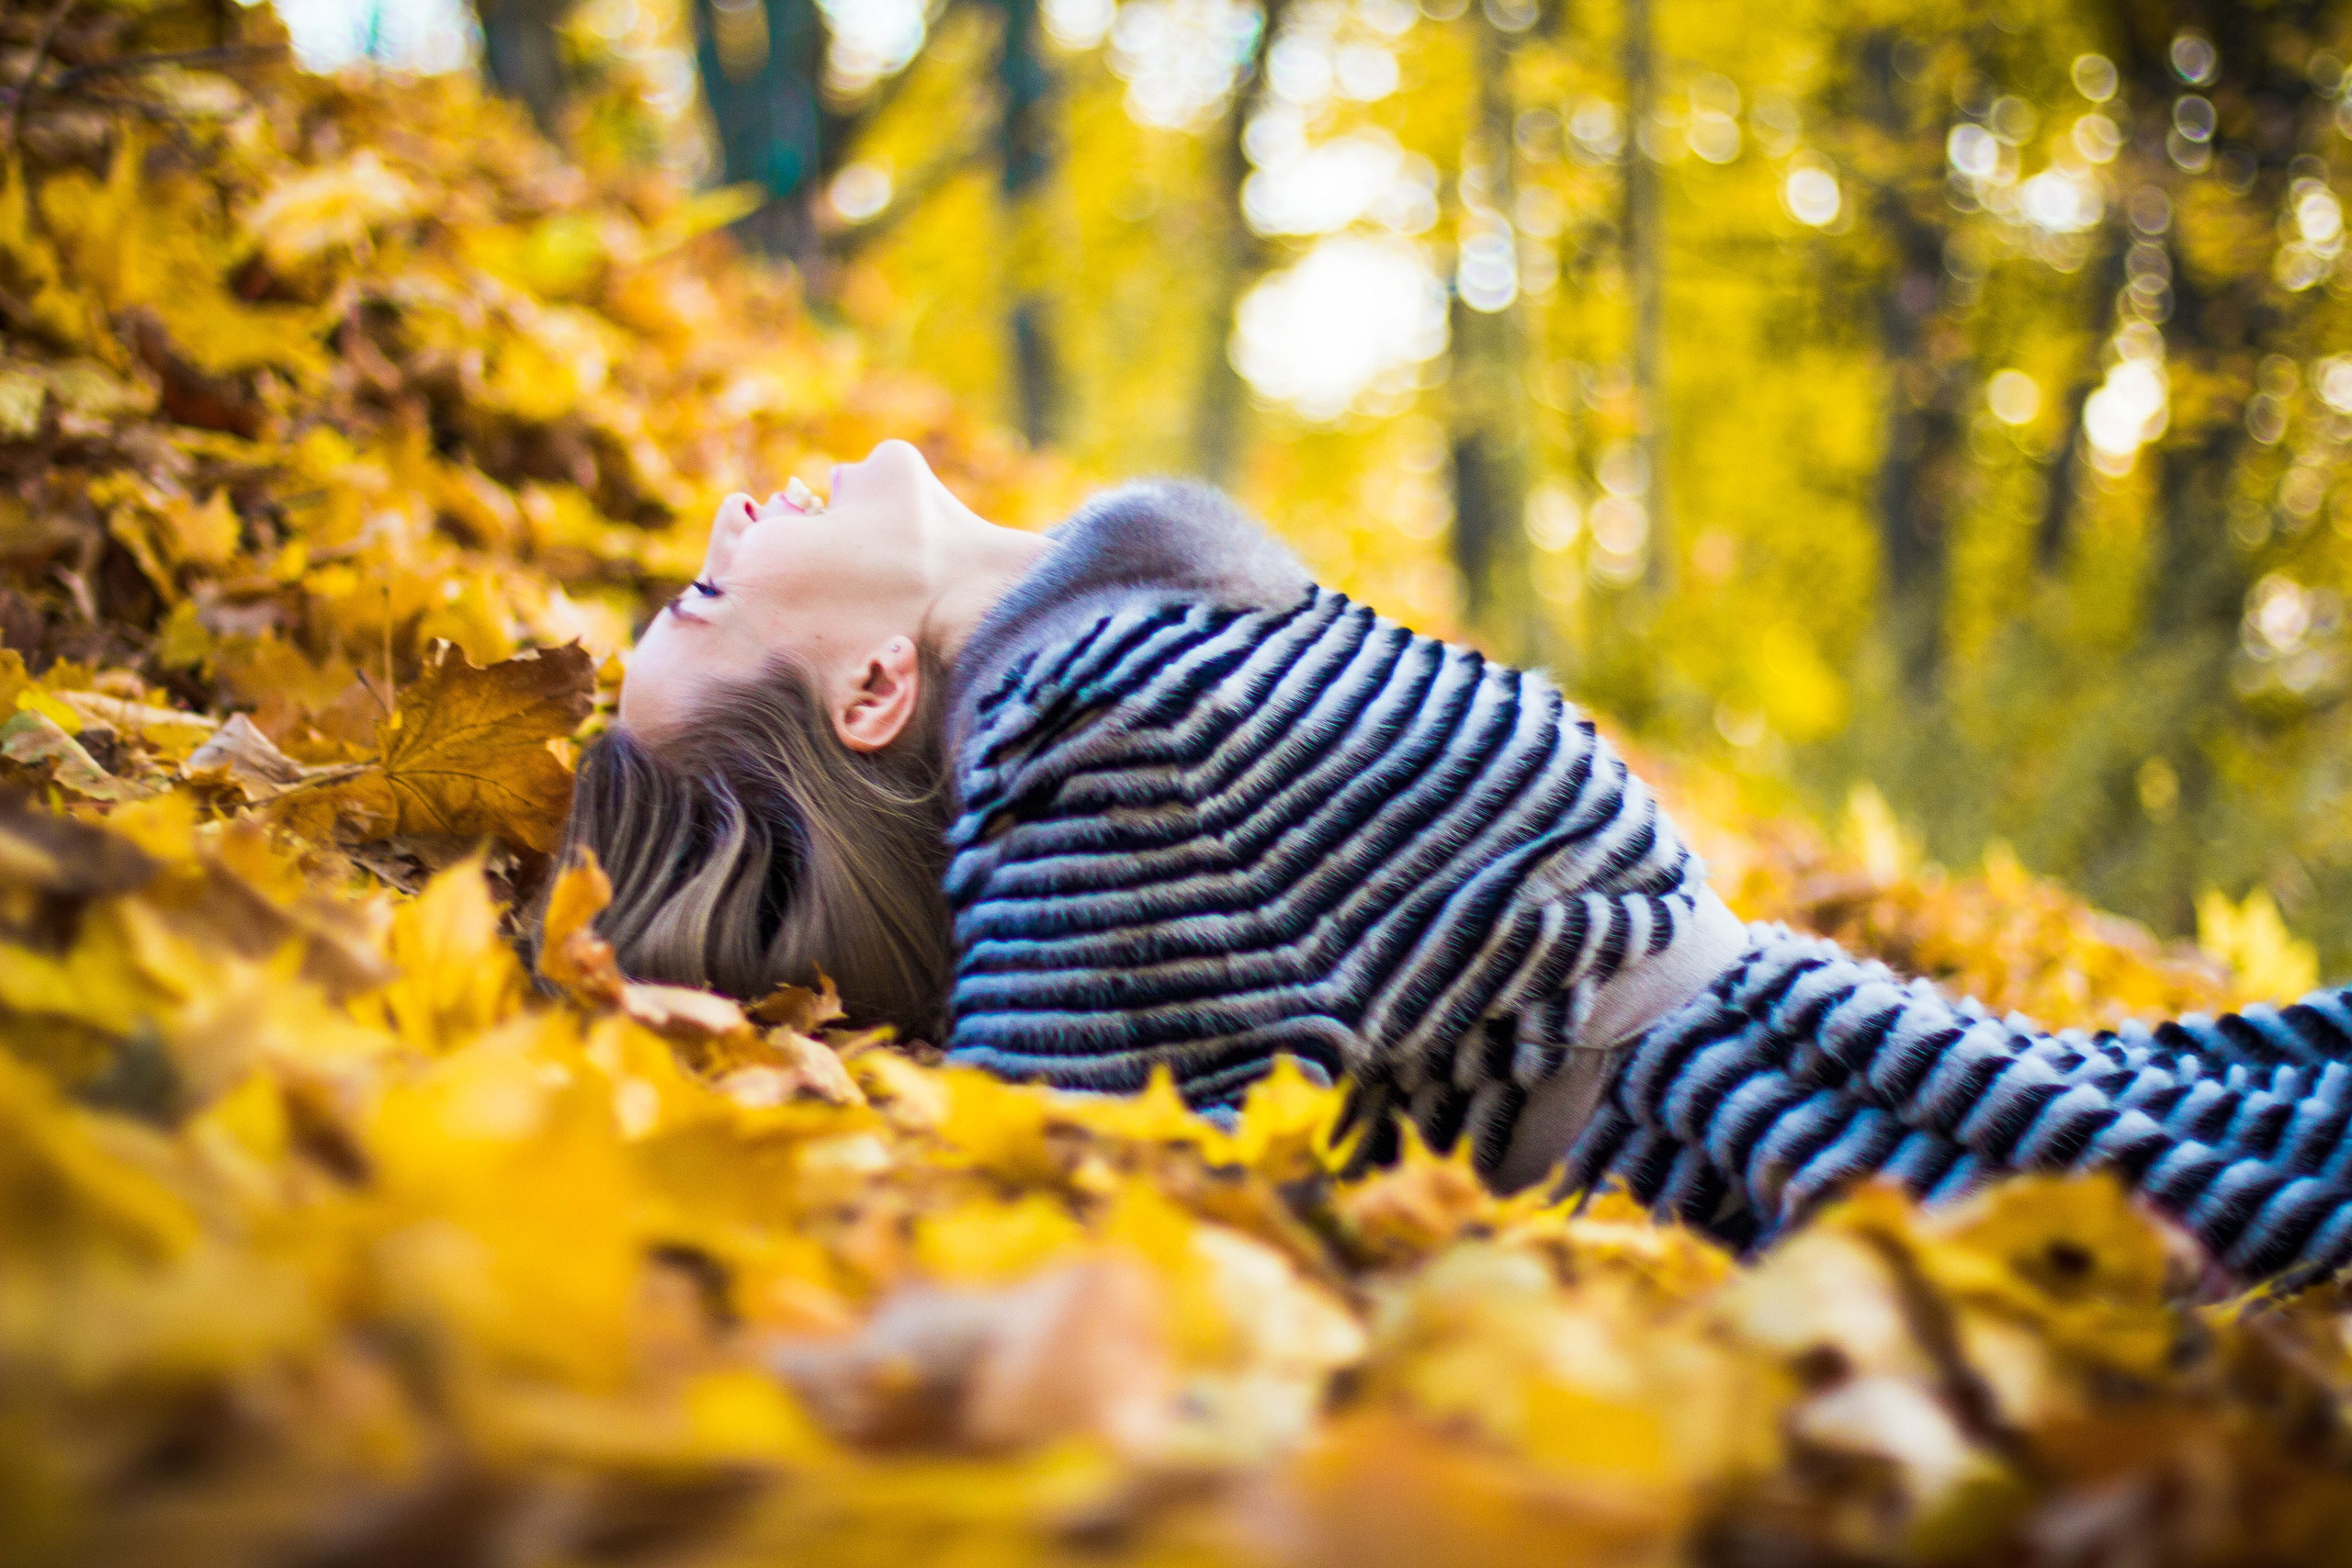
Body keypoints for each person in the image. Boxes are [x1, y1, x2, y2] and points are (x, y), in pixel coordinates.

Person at [566, 439, 2352, 1286]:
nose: (722, 519)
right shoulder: (1075, 731)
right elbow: (1077, 1191)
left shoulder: (1107, 650)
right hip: (1811, 1167)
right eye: (712, 594)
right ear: (874, 687)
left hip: (1849, 1083)